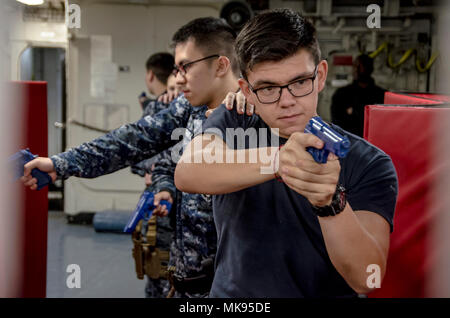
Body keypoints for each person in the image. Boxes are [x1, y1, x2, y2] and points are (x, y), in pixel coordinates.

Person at [174, 9, 398, 297]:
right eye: (268, 88)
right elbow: (188, 171)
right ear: (247, 90)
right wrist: (279, 160)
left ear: (320, 76)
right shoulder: (236, 119)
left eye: (299, 82)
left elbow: (368, 278)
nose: (287, 101)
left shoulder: (368, 162)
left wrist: (329, 204)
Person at [20, 17, 243, 297]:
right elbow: (132, 139)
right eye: (176, 69)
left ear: (221, 65)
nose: (178, 78)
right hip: (186, 282)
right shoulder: (188, 109)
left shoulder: (256, 118)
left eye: (186, 67)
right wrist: (60, 163)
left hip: (232, 288)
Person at [330, 54, 386, 137]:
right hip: (349, 143)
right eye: (355, 66)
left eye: (361, 66)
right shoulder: (342, 94)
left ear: (370, 69)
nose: (356, 69)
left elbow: (382, 123)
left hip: (375, 142)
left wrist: (354, 112)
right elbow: (337, 123)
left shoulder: (381, 95)